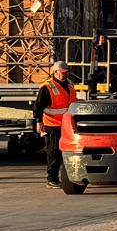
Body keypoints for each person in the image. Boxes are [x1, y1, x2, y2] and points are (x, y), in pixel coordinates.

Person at [34, 61, 77, 189]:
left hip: (67, 125)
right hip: (52, 125)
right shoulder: (47, 87)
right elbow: (38, 106)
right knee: (54, 152)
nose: (65, 75)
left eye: (66, 73)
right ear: (55, 72)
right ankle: (52, 179)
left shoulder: (69, 85)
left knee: (67, 152)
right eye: (62, 73)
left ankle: (67, 178)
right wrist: (39, 122)